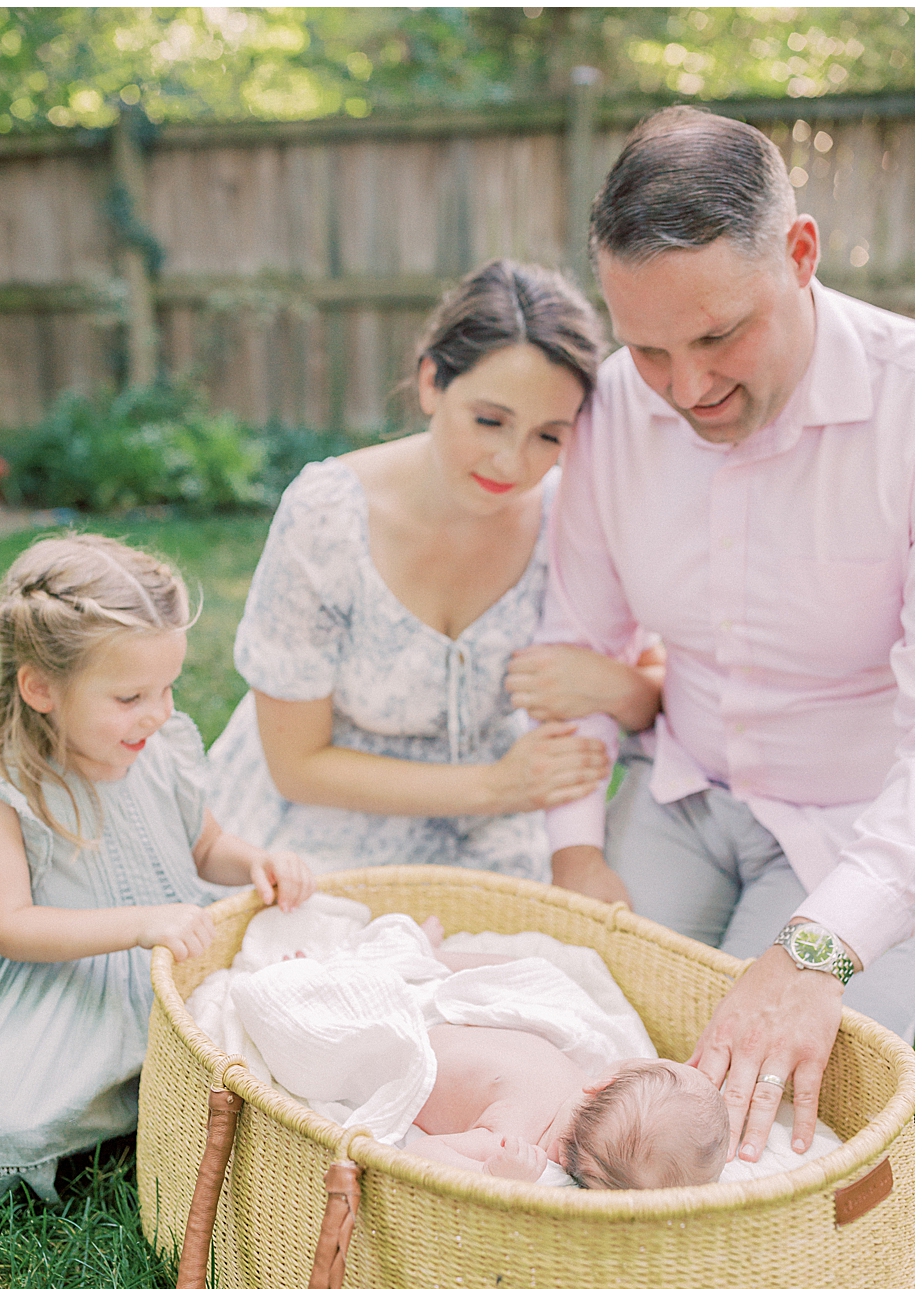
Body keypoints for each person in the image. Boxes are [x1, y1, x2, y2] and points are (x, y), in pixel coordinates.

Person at [509, 106, 913, 1165]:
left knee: (749, 1122)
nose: (686, 391)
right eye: (648, 349)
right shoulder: (609, 408)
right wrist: (574, 848)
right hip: (682, 794)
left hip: (857, 829)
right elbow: (576, 645)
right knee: (572, 1040)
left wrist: (817, 947)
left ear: (801, 253)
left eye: (718, 335)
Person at [207, 260, 662, 881]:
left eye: (548, 437)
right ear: (430, 382)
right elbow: (297, 764)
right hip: (316, 835)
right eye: (489, 421)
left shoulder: (572, 520)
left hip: (495, 846)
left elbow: (657, 695)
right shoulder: (326, 518)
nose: (512, 462)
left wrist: (617, 686)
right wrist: (495, 787)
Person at [0, 534, 314, 1203]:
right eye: (131, 695)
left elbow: (205, 846)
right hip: (56, 984)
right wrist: (141, 922)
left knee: (272, 1037)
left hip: (167, 961)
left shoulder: (158, 746)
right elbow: (10, 925)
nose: (159, 712)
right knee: (7, 1118)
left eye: (167, 687)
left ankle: (150, 1090)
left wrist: (256, 860)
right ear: (41, 687)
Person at [406, 1033, 730, 1190]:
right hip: (428, 1032)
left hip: (414, 1048)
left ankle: (423, 950)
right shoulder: (569, 1088)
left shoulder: (516, 1136)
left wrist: (488, 1175)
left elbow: (419, 1152)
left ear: (601, 1086)